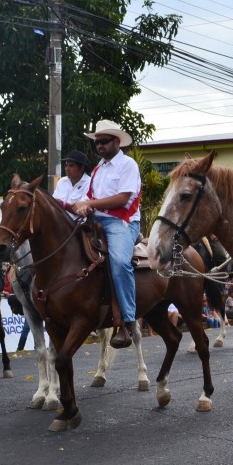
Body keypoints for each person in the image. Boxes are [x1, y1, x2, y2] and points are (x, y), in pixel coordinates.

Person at [71, 120, 142, 349]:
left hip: (122, 222)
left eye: (104, 141)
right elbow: (91, 198)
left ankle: (128, 320)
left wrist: (89, 203)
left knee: (120, 262)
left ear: (117, 142)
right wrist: (82, 206)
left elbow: (123, 199)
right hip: (96, 220)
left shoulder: (127, 165)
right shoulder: (97, 169)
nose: (99, 146)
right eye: (96, 143)